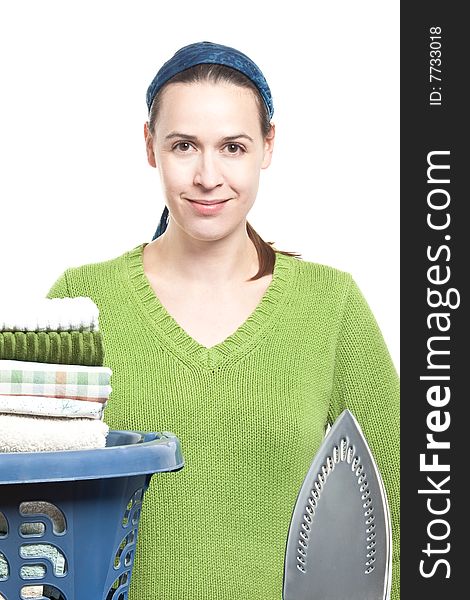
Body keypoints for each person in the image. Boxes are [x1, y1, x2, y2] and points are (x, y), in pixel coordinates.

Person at [47, 41, 400, 600]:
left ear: (267, 146)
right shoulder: (82, 301)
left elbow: (398, 501)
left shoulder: (330, 305)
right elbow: (31, 498)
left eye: (232, 147)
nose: (208, 175)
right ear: (149, 146)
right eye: (184, 145)